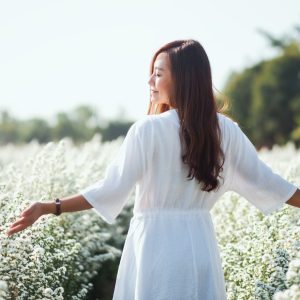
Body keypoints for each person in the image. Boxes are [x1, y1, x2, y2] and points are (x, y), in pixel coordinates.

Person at [6, 39, 300, 300]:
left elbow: (109, 189)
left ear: (183, 80)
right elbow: (272, 184)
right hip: (200, 247)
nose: (150, 81)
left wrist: (49, 207)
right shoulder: (227, 131)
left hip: (154, 249)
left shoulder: (147, 130)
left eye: (158, 74)